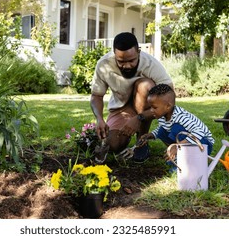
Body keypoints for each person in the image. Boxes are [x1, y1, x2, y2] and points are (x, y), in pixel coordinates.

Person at [90, 32, 173, 164]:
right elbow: (96, 96)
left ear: (138, 52)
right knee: (113, 145)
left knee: (146, 85)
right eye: (121, 61)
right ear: (114, 54)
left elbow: (169, 97)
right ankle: (123, 135)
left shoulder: (150, 64)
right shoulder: (104, 64)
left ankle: (142, 141)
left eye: (131, 60)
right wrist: (99, 118)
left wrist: (140, 117)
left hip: (144, 100)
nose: (127, 65)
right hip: (121, 108)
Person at [137, 84, 214, 169]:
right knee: (162, 131)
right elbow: (163, 127)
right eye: (150, 107)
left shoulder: (181, 117)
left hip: (204, 144)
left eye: (154, 107)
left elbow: (200, 132)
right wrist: (151, 135)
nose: (151, 111)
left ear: (168, 106)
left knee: (176, 128)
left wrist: (178, 146)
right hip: (191, 142)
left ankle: (189, 160)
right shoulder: (162, 116)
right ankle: (180, 156)